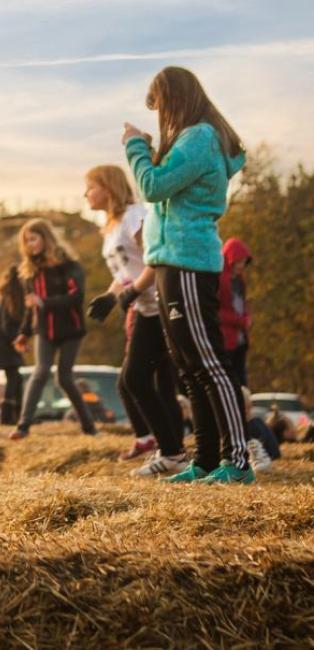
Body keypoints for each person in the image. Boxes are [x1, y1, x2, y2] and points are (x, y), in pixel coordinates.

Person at [119, 66, 251, 484]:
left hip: (190, 261)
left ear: (175, 99)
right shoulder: (192, 139)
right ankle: (208, 460)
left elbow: (153, 187)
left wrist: (136, 148)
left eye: (159, 105)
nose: (159, 115)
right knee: (190, 369)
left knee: (209, 363)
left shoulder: (200, 138)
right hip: (170, 262)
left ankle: (239, 462)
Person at [84, 164, 188, 473]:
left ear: (109, 187)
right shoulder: (111, 226)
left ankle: (174, 452)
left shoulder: (135, 215)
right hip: (143, 308)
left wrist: (133, 291)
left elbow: (156, 258)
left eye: (90, 186)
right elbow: (124, 273)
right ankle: (171, 451)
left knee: (142, 379)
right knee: (134, 380)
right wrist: (110, 295)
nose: (85, 194)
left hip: (162, 304)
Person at [9, 219, 97, 440]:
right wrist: (24, 333)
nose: (30, 244)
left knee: (65, 378)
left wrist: (45, 302)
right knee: (40, 372)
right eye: (26, 241)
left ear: (45, 238)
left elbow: (76, 296)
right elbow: (32, 306)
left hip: (70, 329)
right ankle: (23, 427)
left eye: (33, 238)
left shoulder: (68, 265)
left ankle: (89, 427)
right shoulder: (31, 271)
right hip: (44, 331)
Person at [0, 265, 25, 426]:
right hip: (5, 343)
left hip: (1, 341)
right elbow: (8, 325)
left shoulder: (4, 295)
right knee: (14, 377)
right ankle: (9, 416)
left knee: (16, 377)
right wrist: (17, 341)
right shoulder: (11, 298)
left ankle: (15, 414)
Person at [218, 238, 253, 387]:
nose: (241, 266)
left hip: (240, 340)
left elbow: (242, 305)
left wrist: (247, 318)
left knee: (242, 382)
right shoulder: (220, 280)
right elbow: (217, 312)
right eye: (239, 262)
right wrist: (241, 321)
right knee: (229, 382)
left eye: (244, 262)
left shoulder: (239, 281)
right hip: (226, 340)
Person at [242, 387, 278, 472]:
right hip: (272, 453)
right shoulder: (257, 422)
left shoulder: (252, 426)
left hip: (267, 455)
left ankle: (258, 461)